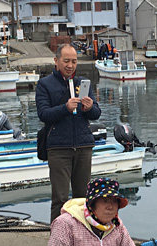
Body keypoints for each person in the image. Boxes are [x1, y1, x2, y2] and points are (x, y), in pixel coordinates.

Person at [36, 43, 101, 222]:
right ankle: (58, 241)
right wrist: (65, 108)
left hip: (83, 145)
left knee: (83, 199)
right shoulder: (45, 84)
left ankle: (83, 239)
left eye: (73, 61)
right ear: (56, 61)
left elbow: (96, 113)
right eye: (66, 61)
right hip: (58, 148)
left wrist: (89, 108)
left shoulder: (82, 83)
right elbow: (43, 114)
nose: (70, 65)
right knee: (60, 199)